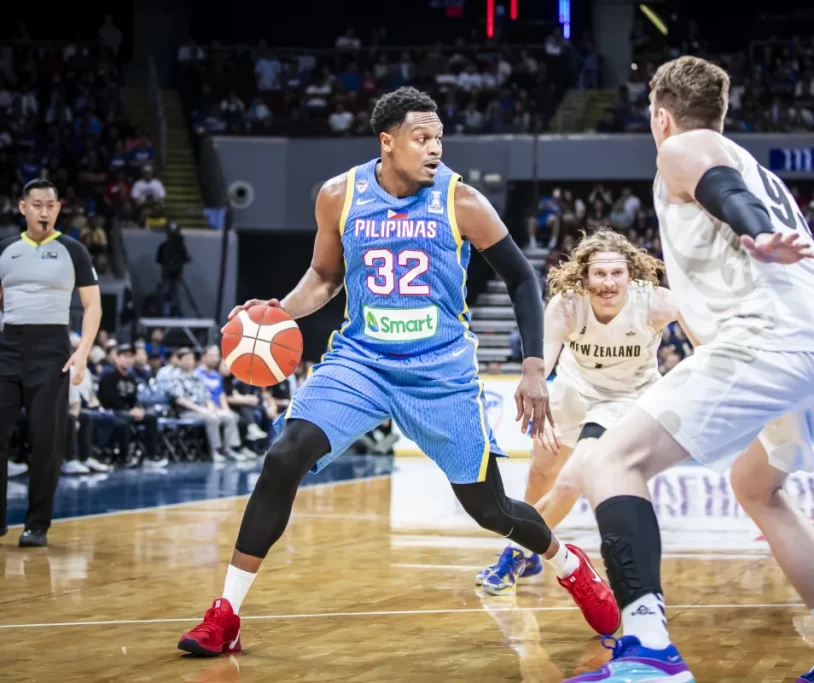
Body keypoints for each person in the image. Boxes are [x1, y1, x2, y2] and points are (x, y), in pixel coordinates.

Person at [178, 86, 617, 657]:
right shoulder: (339, 195)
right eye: (422, 138)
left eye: (439, 138)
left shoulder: (462, 202)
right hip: (362, 361)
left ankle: (566, 561)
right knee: (284, 456)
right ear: (387, 142)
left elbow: (521, 278)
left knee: (490, 510)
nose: (435, 148)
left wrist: (535, 365)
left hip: (440, 373)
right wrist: (274, 315)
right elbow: (323, 278)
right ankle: (227, 612)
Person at [563, 56, 814, 683]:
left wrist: (756, 232)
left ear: (660, 116)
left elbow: (719, 189)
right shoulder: (757, 165)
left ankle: (649, 648)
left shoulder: (683, 146)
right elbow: (728, 194)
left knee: (610, 462)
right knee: (757, 488)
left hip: (772, 340)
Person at [475, 228, 679, 594]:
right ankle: (532, 546)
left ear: (631, 273)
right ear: (584, 276)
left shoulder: (657, 303)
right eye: (599, 274)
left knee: (570, 483)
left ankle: (515, 555)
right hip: (572, 391)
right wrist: (535, 393)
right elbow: (545, 358)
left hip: (624, 400)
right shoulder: (567, 306)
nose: (609, 282)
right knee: (542, 474)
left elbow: (708, 330)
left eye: (617, 273)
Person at [0, 179, 101, 546]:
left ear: (58, 208)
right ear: (23, 207)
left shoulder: (73, 251)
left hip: (52, 350)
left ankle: (36, 525)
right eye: (37, 205)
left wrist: (83, 351)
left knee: (46, 440)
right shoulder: (6, 249)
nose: (44, 211)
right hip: (9, 345)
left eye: (51, 205)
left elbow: (93, 306)